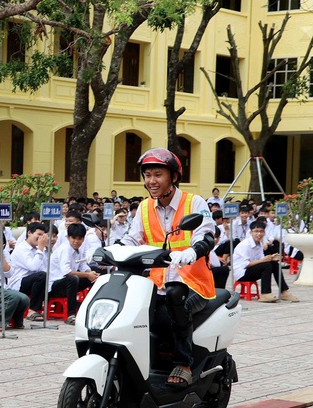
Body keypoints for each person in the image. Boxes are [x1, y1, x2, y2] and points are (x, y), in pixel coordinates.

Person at [120, 148, 217, 387]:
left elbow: (206, 235)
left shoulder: (194, 202)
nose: (151, 181)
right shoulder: (143, 207)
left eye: (157, 175)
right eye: (147, 175)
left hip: (193, 283)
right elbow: (132, 238)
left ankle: (183, 362)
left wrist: (192, 251)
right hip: (156, 282)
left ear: (173, 176)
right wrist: (113, 250)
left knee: (176, 298)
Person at [233, 220, 299, 303]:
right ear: (251, 232)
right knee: (267, 266)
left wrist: (271, 258)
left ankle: (284, 291)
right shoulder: (245, 245)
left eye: (261, 231)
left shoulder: (259, 244)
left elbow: (261, 259)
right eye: (256, 231)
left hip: (250, 269)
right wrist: (264, 260)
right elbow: (246, 265)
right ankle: (265, 293)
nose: (259, 234)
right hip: (241, 273)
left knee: (274, 264)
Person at [49, 223, 99, 325]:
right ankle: (70, 315)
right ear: (68, 237)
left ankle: (89, 308)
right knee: (73, 278)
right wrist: (87, 275)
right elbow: (66, 272)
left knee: (96, 277)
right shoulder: (65, 249)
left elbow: (83, 265)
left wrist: (91, 273)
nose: (76, 241)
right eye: (73, 238)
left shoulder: (78, 250)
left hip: (68, 282)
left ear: (83, 239)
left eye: (79, 238)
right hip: (55, 285)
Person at [9, 222, 48, 321]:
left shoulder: (38, 249)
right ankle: (32, 310)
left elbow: (44, 268)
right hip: (18, 283)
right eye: (38, 234)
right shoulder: (21, 248)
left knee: (46, 277)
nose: (40, 238)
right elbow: (33, 267)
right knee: (41, 276)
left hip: (33, 282)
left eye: (42, 235)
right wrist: (40, 248)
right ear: (29, 233)